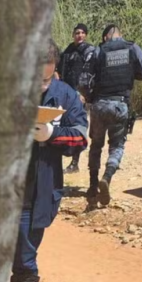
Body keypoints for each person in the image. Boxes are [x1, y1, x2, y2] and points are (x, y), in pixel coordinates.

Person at [8, 39, 88, 282]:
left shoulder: (65, 95)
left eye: (45, 79)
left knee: (26, 256)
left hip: (37, 193)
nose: (40, 85)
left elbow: (81, 137)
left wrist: (52, 134)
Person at [86, 24, 142, 207]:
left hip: (99, 105)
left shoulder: (99, 50)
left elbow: (85, 79)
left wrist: (90, 98)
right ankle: (107, 177)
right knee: (117, 146)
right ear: (120, 35)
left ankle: (92, 185)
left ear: (106, 37)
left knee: (96, 145)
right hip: (120, 105)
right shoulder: (132, 48)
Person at [57, 23, 96, 174]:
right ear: (73, 35)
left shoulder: (89, 51)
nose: (79, 35)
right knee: (63, 124)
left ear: (85, 35)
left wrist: (84, 93)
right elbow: (59, 70)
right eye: (77, 33)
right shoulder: (67, 51)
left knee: (77, 126)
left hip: (80, 96)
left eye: (82, 33)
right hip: (65, 93)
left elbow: (91, 74)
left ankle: (75, 162)